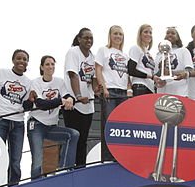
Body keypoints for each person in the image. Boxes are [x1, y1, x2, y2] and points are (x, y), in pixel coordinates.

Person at [0, 50, 35, 186]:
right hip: (0, 120)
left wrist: (31, 100)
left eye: (24, 59)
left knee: (15, 159)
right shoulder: (0, 72)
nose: (21, 61)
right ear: (13, 60)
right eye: (19, 58)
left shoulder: (29, 82)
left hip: (18, 123)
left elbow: (26, 106)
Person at [28, 56, 78, 179]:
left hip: (51, 126)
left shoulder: (60, 82)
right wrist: (60, 100)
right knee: (37, 160)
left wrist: (71, 99)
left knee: (73, 134)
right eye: (47, 64)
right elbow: (41, 104)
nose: (50, 67)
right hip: (36, 125)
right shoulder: (35, 83)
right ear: (42, 67)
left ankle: (64, 169)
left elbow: (67, 96)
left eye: (52, 64)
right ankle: (35, 186)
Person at [96, 26, 131, 162]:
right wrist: (103, 87)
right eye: (115, 33)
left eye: (121, 34)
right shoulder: (103, 50)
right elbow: (98, 69)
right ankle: (107, 158)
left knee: (121, 126)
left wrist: (129, 89)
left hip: (122, 93)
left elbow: (127, 75)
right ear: (110, 35)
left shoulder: (125, 55)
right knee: (108, 124)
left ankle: (119, 157)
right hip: (109, 90)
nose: (118, 36)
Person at [64, 28, 98, 168]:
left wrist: (97, 88)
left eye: (91, 38)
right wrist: (78, 96)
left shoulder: (93, 56)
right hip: (73, 103)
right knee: (73, 138)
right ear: (79, 39)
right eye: (86, 38)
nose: (89, 40)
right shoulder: (73, 52)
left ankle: (81, 168)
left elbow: (94, 79)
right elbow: (73, 75)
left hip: (88, 105)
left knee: (83, 139)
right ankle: (69, 168)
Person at [156, 27, 191, 98]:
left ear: (177, 37)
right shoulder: (159, 54)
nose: (170, 35)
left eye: (173, 33)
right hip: (162, 93)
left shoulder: (183, 51)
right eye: (168, 33)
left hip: (180, 92)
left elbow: (189, 70)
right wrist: (158, 80)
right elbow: (156, 74)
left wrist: (171, 73)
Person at [127, 24, 157, 97]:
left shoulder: (148, 53)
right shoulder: (136, 48)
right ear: (140, 35)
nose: (148, 34)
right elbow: (131, 70)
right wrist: (150, 76)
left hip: (150, 87)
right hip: (140, 86)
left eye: (150, 33)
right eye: (145, 32)